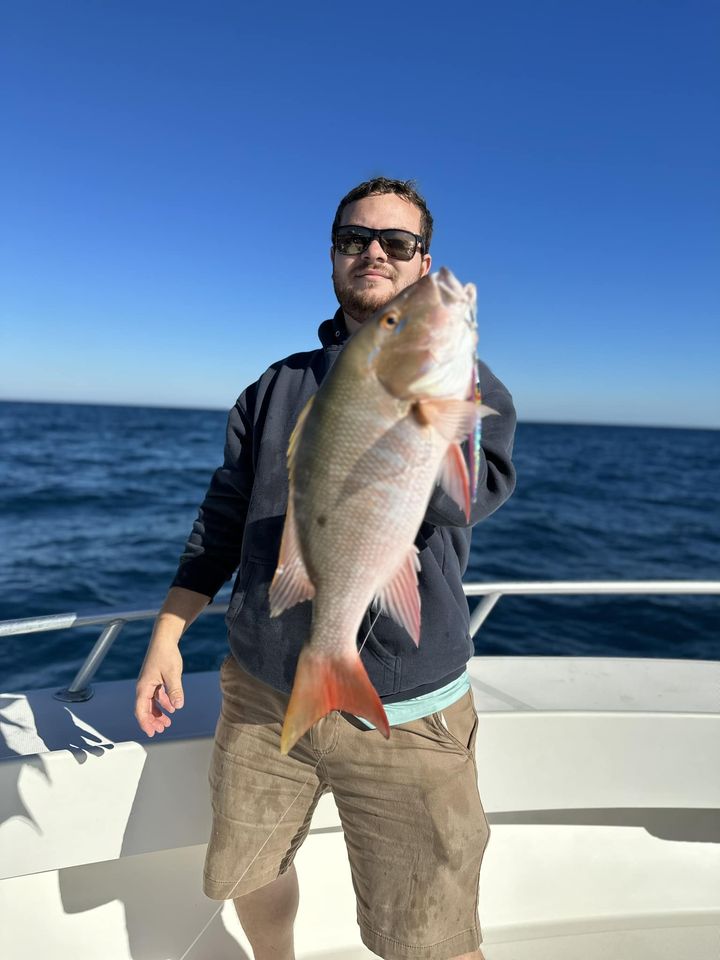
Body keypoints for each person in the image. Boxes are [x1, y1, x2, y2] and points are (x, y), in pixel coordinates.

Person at [135, 177, 517, 960]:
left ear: (422, 261)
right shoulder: (274, 388)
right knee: (249, 871)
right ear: (334, 255)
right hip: (261, 687)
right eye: (354, 239)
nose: (374, 252)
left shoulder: (471, 391)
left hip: (409, 709)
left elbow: (466, 500)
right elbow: (222, 518)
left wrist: (438, 399)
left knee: (433, 935)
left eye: (398, 243)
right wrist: (168, 630)